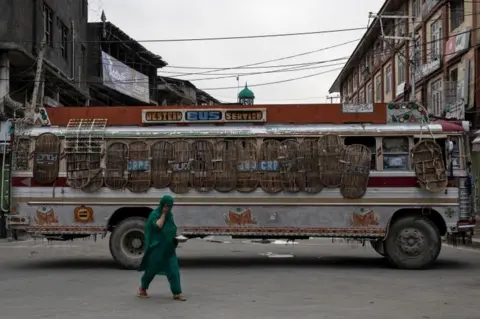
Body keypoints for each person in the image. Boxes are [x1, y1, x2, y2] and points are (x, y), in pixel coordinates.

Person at [137, 195, 186, 301]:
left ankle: (177, 293)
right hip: (157, 249)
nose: (169, 208)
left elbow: (172, 227)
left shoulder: (170, 215)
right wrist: (163, 214)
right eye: (167, 206)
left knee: (174, 270)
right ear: (163, 205)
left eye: (171, 206)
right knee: (151, 270)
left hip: (169, 248)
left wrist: (176, 236)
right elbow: (157, 226)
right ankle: (142, 289)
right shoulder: (155, 214)